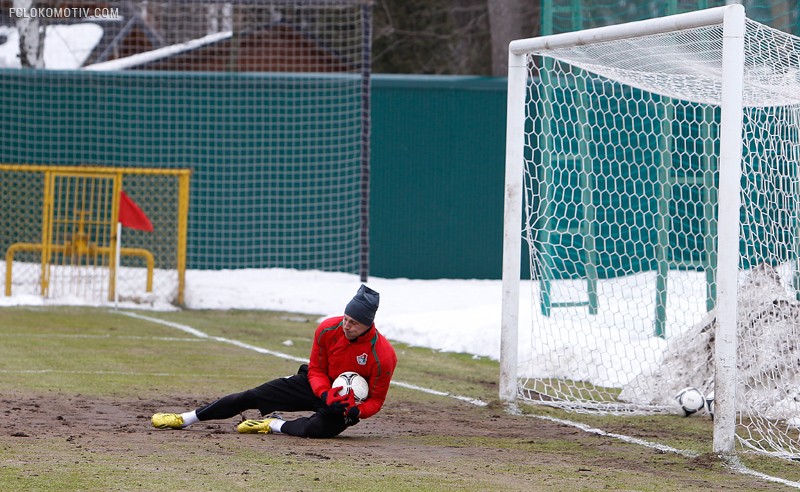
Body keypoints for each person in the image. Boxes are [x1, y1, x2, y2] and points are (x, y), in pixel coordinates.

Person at [151, 284, 397, 438]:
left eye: (354, 323)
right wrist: (324, 393)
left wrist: (355, 410)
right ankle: (186, 419)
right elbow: (317, 369)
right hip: (318, 385)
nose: (346, 325)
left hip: (344, 404)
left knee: (317, 430)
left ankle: (274, 424)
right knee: (252, 395)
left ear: (369, 324)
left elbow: (376, 400)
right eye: (345, 318)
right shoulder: (327, 329)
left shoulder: (383, 355)